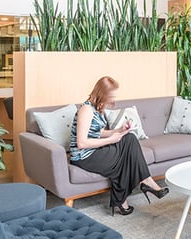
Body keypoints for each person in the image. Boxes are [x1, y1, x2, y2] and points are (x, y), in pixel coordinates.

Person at [70, 76, 168, 216]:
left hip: (94, 151)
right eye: (111, 95)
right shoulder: (86, 110)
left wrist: (119, 130)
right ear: (102, 93)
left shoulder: (97, 108)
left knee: (129, 138)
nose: (112, 99)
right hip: (84, 157)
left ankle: (127, 196)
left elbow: (99, 133)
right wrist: (111, 140)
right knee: (126, 153)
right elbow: (82, 143)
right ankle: (143, 183)